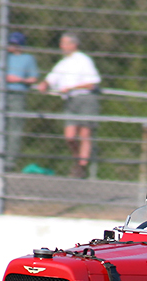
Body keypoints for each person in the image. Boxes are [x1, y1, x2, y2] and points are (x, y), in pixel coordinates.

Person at [36, 32, 101, 179]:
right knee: (70, 136)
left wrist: (72, 88)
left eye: (65, 43)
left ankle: (82, 166)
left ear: (74, 44)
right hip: (70, 101)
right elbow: (52, 77)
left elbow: (92, 83)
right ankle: (77, 160)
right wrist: (44, 84)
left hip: (85, 99)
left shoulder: (83, 60)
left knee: (85, 134)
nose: (62, 46)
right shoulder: (63, 63)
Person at [0, 31, 38, 171]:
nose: (11, 46)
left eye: (14, 44)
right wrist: (5, 78)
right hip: (3, 94)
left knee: (14, 129)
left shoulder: (28, 59)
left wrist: (20, 80)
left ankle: (9, 161)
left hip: (18, 94)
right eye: (10, 44)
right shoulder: (4, 58)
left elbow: (33, 78)